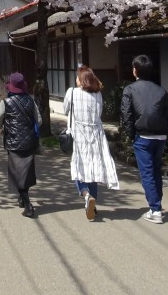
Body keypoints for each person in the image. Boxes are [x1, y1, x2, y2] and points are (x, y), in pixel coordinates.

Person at [120, 54, 168, 224]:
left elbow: (127, 114)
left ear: (135, 71)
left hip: (142, 136)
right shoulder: (161, 90)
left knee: (147, 173)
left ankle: (155, 210)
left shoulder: (130, 90)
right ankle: (157, 205)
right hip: (160, 137)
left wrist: (130, 134)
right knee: (155, 170)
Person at [63, 66, 119, 221]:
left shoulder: (72, 92)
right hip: (95, 136)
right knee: (93, 170)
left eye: (77, 77)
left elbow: (66, 109)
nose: (76, 79)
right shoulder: (98, 95)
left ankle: (86, 195)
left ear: (81, 80)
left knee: (78, 169)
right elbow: (99, 114)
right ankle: (92, 203)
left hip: (79, 135)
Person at [0, 72, 41, 218]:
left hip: (13, 141)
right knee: (26, 172)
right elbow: (39, 120)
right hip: (29, 141)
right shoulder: (31, 100)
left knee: (17, 173)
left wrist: (1, 128)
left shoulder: (5, 103)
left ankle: (28, 205)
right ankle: (22, 198)